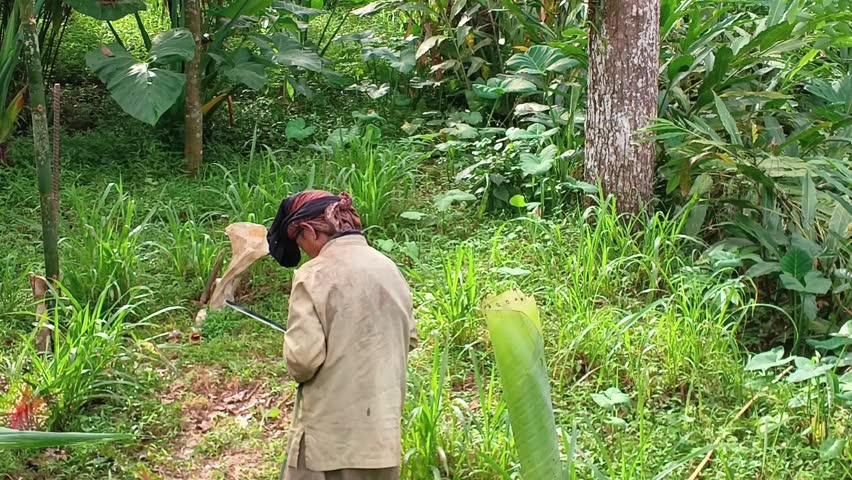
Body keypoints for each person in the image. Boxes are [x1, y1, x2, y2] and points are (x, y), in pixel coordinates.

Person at [267, 190, 418, 480]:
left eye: (300, 241)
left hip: (328, 441)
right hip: (381, 436)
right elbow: (408, 338)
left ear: (310, 230)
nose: (305, 250)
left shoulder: (313, 275)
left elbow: (302, 361)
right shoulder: (389, 268)